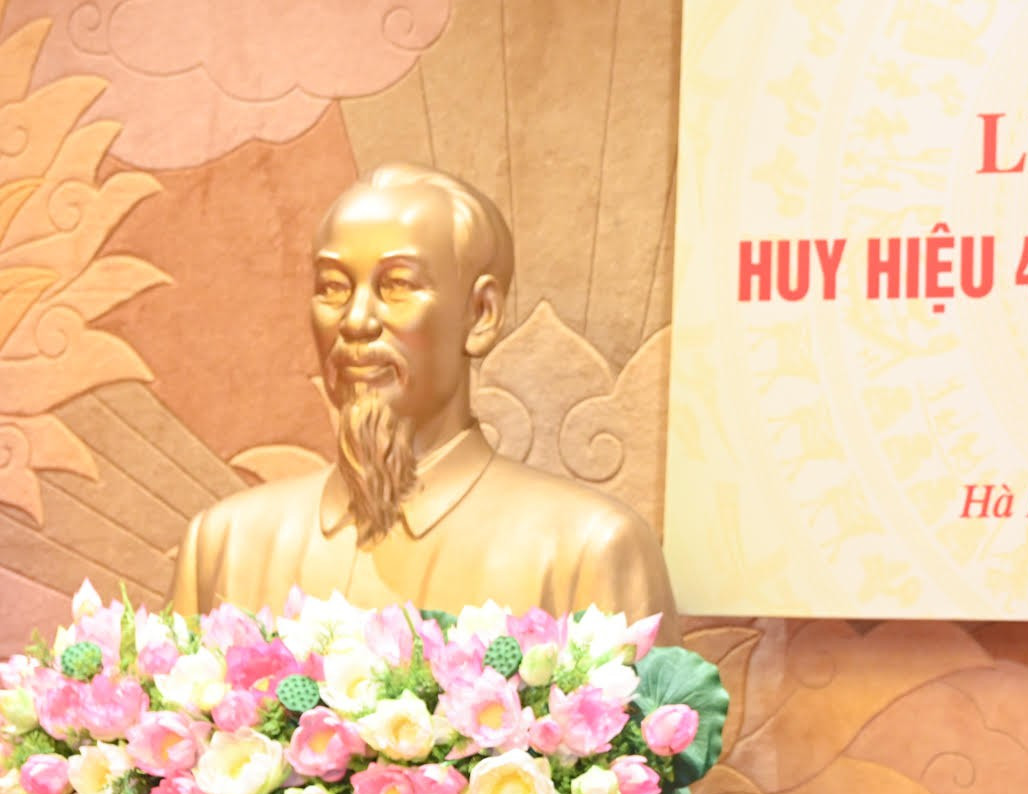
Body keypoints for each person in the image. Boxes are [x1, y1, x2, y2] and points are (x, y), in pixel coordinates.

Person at [170, 164, 679, 638]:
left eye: (397, 286)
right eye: (332, 287)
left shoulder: (588, 551)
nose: (356, 320)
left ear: (480, 315)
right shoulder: (225, 545)